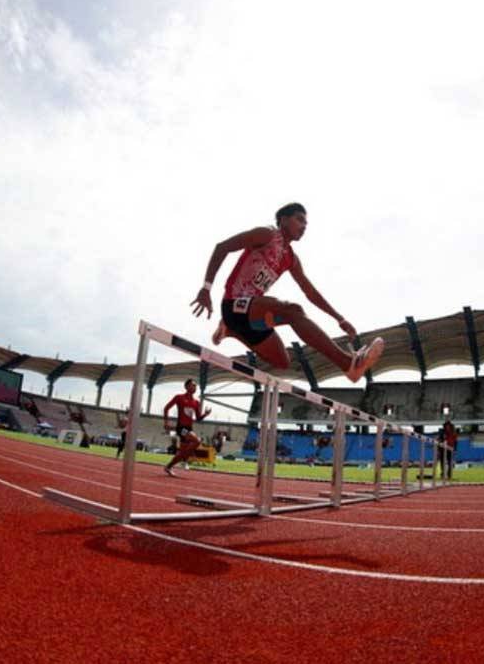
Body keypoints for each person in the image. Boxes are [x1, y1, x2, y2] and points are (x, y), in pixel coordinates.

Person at [190, 202, 383, 383]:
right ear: (282, 219)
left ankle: (231, 330)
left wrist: (339, 318)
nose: (304, 226)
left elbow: (310, 292)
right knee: (293, 310)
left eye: (306, 223)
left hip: (249, 317)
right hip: (234, 304)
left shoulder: (291, 259)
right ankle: (348, 364)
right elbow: (222, 247)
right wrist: (206, 288)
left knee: (282, 362)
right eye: (299, 219)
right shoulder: (266, 235)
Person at [162, 379, 212, 477]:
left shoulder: (196, 402)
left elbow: (198, 418)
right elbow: (166, 408)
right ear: (186, 387)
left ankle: (168, 466)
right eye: (192, 385)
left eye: (195, 386)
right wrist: (166, 422)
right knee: (197, 441)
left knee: (181, 452)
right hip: (181, 428)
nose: (195, 387)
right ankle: (185, 460)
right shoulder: (179, 398)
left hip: (190, 428)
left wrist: (205, 414)